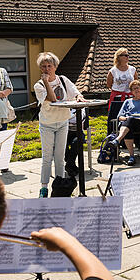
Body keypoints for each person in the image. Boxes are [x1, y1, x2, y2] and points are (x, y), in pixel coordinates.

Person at [34, 52, 83, 198]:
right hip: (47, 123)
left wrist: (79, 96)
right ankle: (44, 188)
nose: (47, 69)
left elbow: (75, 92)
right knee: (47, 157)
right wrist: (47, 82)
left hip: (62, 122)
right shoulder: (39, 85)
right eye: (43, 66)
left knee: (60, 157)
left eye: (49, 66)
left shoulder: (63, 79)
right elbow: (52, 98)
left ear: (55, 66)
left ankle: (60, 186)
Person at [110, 80, 140, 166]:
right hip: (127, 123)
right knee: (129, 122)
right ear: (131, 92)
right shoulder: (127, 101)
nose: (136, 90)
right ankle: (131, 157)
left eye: (137, 88)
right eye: (133, 89)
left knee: (130, 120)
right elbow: (119, 117)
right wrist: (125, 118)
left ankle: (118, 140)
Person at [106, 47, 138, 121]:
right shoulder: (113, 71)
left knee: (129, 116)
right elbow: (109, 84)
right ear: (119, 57)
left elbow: (136, 82)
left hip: (130, 96)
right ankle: (113, 131)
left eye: (128, 55)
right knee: (115, 116)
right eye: (125, 55)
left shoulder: (132, 69)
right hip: (117, 97)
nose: (127, 57)